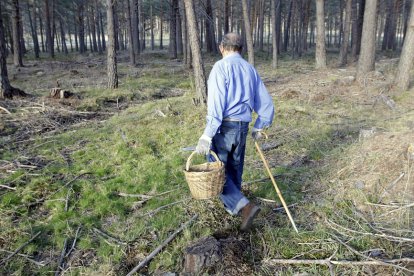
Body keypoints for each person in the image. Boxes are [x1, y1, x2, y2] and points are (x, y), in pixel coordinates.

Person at [195, 33, 274, 231]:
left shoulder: (220, 68)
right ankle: (233, 207)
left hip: (225, 126)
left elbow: (216, 105)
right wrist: (258, 126)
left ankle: (244, 207)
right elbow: (265, 102)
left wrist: (207, 135)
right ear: (241, 49)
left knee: (216, 171)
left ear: (222, 47)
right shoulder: (250, 69)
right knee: (234, 167)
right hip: (242, 127)